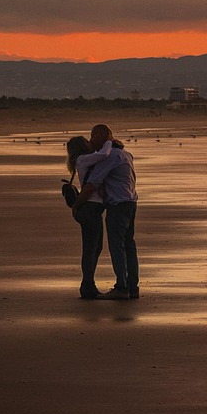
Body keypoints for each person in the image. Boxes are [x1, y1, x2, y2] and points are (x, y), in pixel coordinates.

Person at [75, 127, 139, 300]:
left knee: (117, 246)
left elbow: (94, 183)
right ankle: (132, 287)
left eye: (93, 136)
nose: (92, 140)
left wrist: (76, 205)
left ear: (102, 136)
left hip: (118, 206)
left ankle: (121, 287)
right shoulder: (126, 154)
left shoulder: (110, 156)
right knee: (129, 246)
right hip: (131, 202)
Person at [65, 124, 119, 299]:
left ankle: (88, 283)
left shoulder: (85, 159)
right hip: (90, 208)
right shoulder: (83, 159)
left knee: (95, 247)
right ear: (82, 146)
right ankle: (87, 285)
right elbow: (104, 154)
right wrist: (110, 142)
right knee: (91, 248)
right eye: (87, 141)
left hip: (92, 209)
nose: (90, 141)